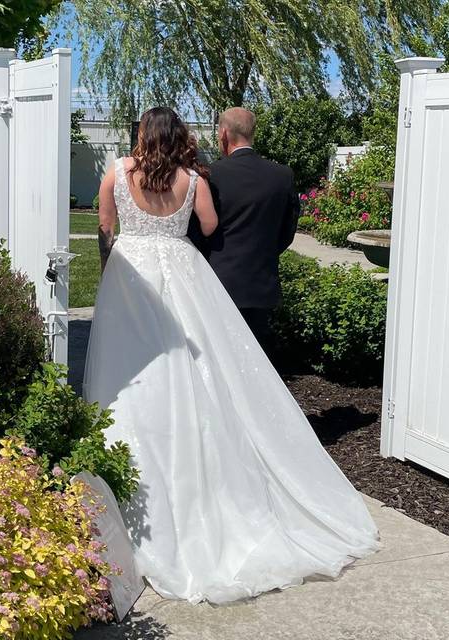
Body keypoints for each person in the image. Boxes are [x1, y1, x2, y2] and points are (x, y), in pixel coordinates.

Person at [83, 106, 378, 605]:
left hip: (129, 277)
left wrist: (113, 266)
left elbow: (106, 228)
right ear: (180, 137)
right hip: (182, 273)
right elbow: (210, 224)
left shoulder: (116, 171)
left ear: (139, 135)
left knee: (130, 377)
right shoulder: (194, 179)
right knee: (199, 373)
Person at [205, 107, 300, 359]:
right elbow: (288, 229)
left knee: (222, 360)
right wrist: (265, 252)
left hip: (218, 281)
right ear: (252, 133)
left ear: (223, 134)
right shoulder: (282, 176)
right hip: (261, 283)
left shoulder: (211, 175)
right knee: (258, 363)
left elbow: (199, 230)